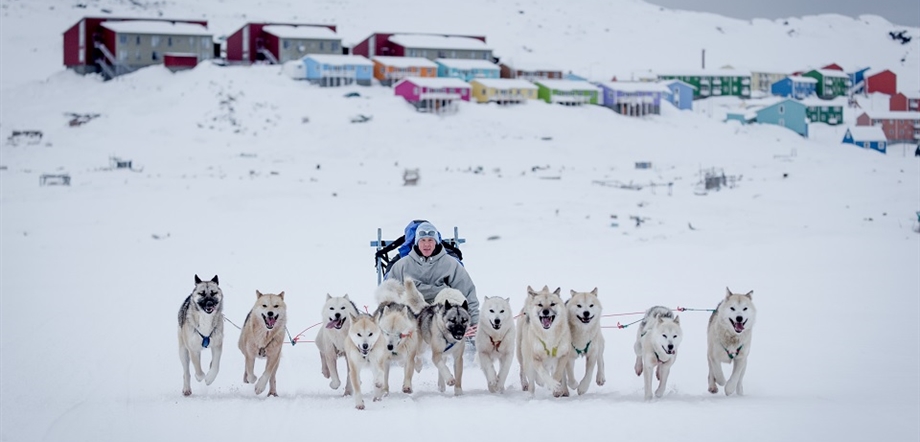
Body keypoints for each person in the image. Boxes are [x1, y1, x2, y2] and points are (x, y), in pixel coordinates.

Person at [384, 221, 480, 329]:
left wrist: (475, 322)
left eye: (430, 240)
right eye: (423, 240)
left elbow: (467, 291)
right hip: (413, 313)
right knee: (405, 297)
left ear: (436, 242)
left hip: (443, 314)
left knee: (451, 294)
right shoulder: (402, 265)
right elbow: (388, 292)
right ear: (417, 242)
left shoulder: (450, 264)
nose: (426, 244)